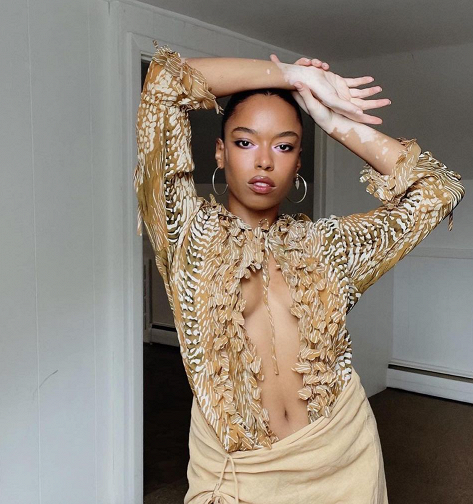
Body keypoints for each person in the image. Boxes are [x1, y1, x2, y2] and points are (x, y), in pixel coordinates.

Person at [134, 40, 465, 504]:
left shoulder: (327, 247)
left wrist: (332, 120)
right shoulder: (187, 235)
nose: (264, 160)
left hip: (342, 459)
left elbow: (437, 191)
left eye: (284, 145)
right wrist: (295, 75)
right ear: (220, 152)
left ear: (298, 160)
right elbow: (165, 82)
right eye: (245, 142)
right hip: (242, 474)